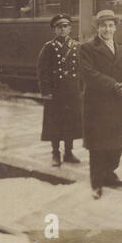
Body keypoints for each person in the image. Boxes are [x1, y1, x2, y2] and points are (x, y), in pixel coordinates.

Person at [80, 9, 122, 200]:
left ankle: (109, 174)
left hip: (118, 102)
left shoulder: (121, 48)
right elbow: (89, 74)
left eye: (111, 25)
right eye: (104, 26)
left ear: (115, 27)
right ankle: (96, 182)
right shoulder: (86, 48)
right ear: (98, 28)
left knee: (116, 144)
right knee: (98, 145)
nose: (107, 29)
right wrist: (113, 85)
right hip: (98, 105)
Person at [37, 14, 82, 167]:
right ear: (54, 30)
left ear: (70, 28)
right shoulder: (48, 47)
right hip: (55, 93)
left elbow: (81, 69)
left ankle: (68, 152)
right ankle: (55, 153)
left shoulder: (77, 46)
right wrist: (46, 91)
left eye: (65, 26)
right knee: (54, 123)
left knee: (71, 122)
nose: (62, 29)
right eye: (59, 27)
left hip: (72, 91)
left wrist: (81, 89)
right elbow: (43, 71)